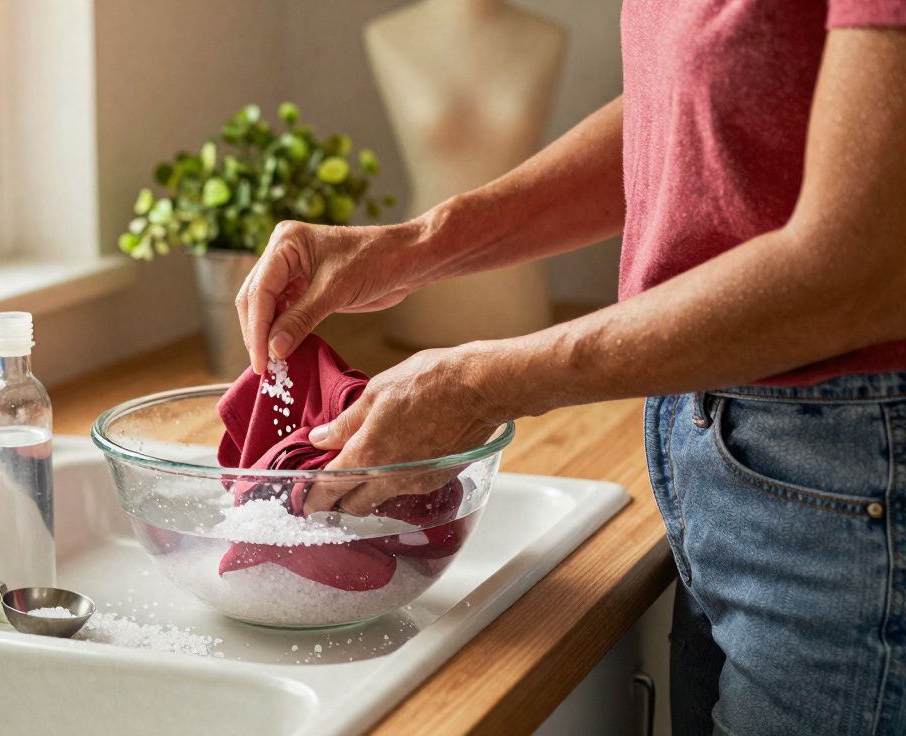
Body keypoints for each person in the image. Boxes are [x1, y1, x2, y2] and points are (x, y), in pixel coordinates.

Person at [234, 3, 906, 735]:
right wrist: (415, 245)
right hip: (724, 460)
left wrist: (485, 382)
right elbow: (695, 107)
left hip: (848, 483)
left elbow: (868, 265)